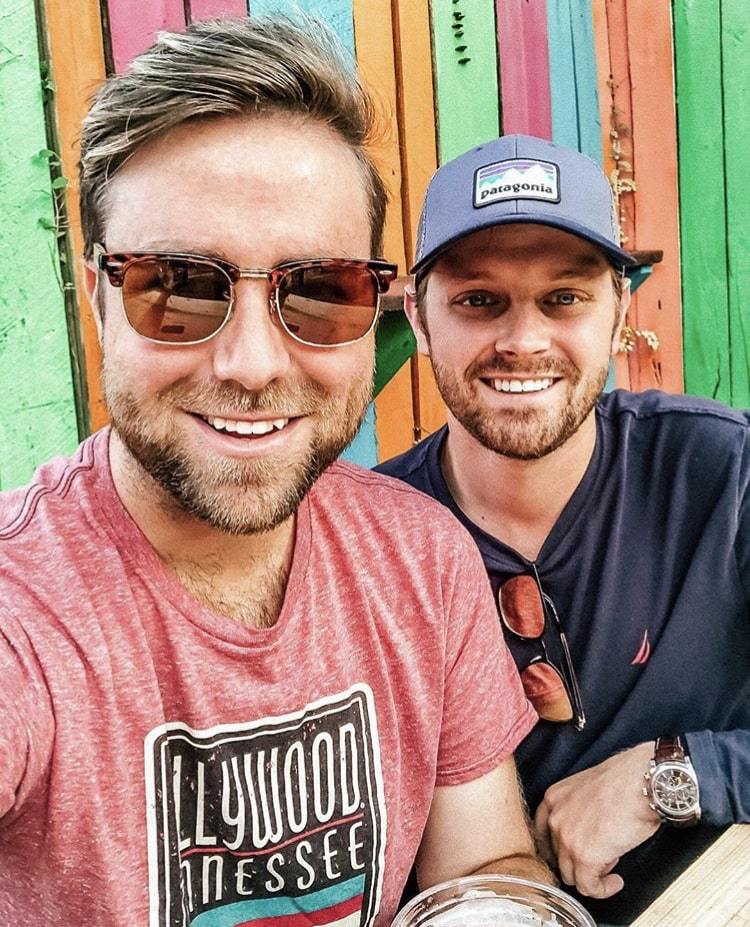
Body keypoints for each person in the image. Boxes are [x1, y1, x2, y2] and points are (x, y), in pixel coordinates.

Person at [0, 23, 551, 926]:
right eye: (178, 286)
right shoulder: (25, 611)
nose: (253, 363)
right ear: (99, 299)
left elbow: (487, 861)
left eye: (320, 291)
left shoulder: (422, 559)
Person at [378, 133, 750, 923]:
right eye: (479, 300)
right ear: (419, 317)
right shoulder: (373, 538)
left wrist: (675, 773)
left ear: (620, 311)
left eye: (565, 298)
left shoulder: (722, 472)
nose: (523, 340)